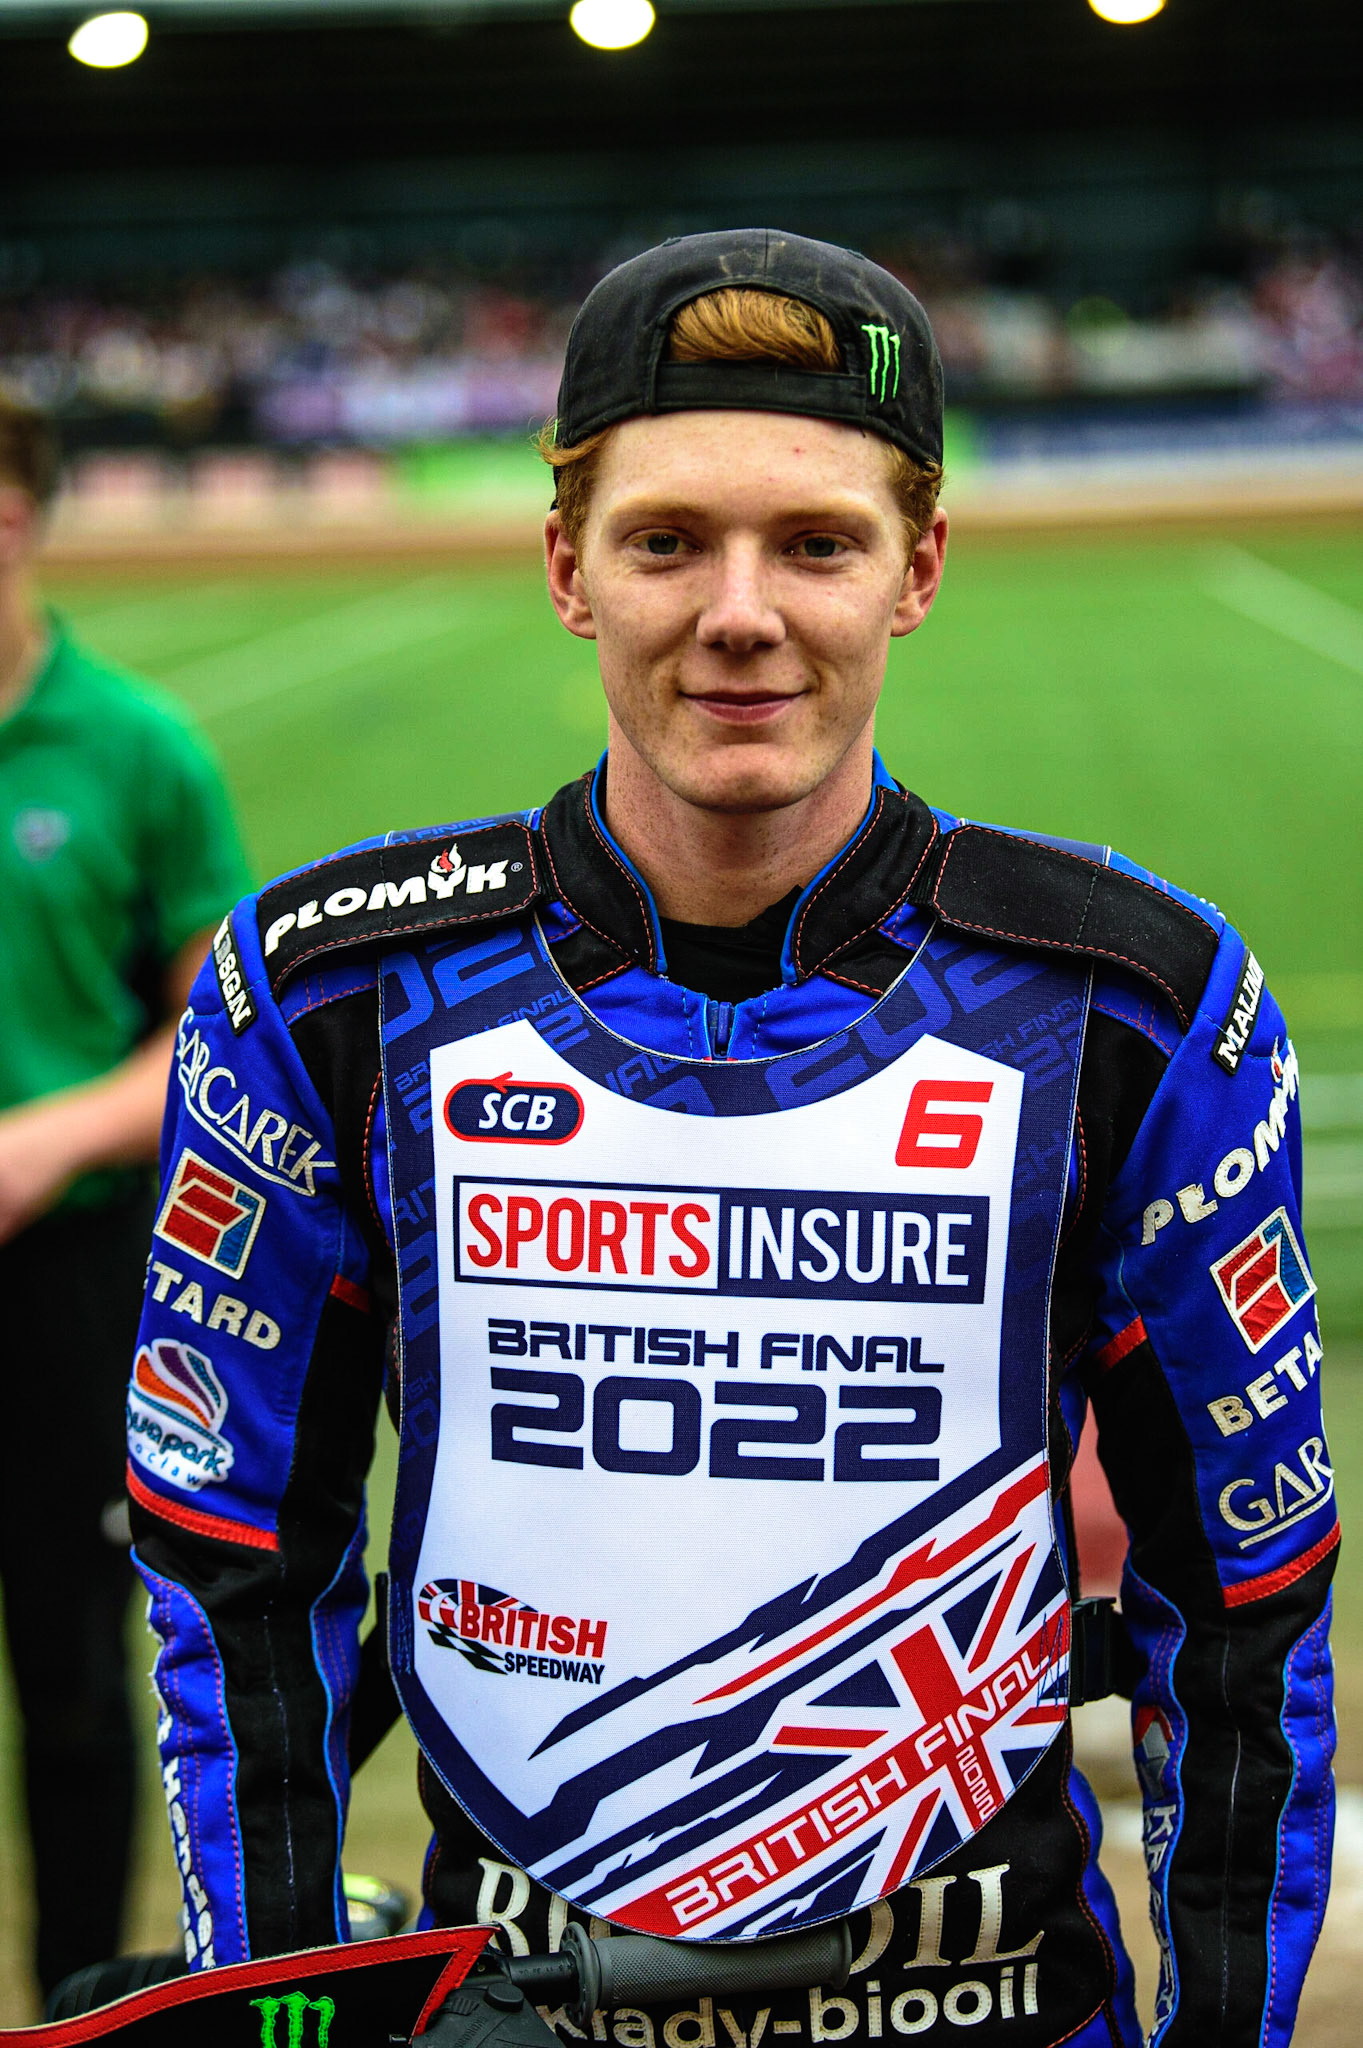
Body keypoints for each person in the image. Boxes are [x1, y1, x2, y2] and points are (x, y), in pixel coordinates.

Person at [128, 232, 1334, 2047]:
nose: (741, 612)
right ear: (569, 568)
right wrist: (288, 2014)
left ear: (920, 567)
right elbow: (234, 1567)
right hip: (514, 2006)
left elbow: (1242, 1609)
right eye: (668, 540)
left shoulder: (1134, 1003)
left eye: (818, 544)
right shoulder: (328, 995)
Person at [0, 394, 252, 1998]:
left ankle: (73, 2005)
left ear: (21, 513)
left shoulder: (136, 746)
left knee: (77, 1685)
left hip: (68, 1274)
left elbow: (212, 1038)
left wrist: (44, 1139)